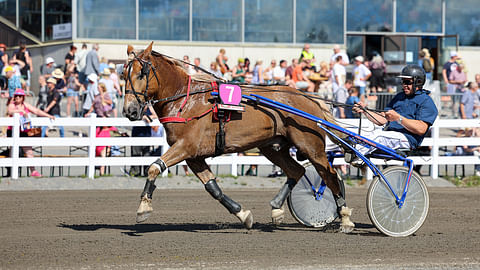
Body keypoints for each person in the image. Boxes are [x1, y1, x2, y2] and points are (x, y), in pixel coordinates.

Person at [352, 65, 438, 159]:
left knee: (379, 136)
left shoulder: (426, 101)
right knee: (361, 134)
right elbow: (382, 120)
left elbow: (421, 129)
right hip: (390, 135)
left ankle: (353, 154)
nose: (404, 85)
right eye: (403, 82)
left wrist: (398, 118)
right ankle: (345, 150)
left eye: (407, 82)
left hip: (408, 138)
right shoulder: (399, 97)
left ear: (419, 82)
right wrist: (365, 110)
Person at [7, 88, 55, 177]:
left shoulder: (25, 105)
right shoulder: (12, 104)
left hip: (24, 131)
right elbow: (10, 111)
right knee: (13, 151)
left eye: (20, 96)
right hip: (13, 131)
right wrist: (21, 111)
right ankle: (11, 172)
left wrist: (48, 115)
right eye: (16, 96)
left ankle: (33, 171)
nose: (17, 97)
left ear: (23, 97)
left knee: (29, 151)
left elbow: (36, 111)